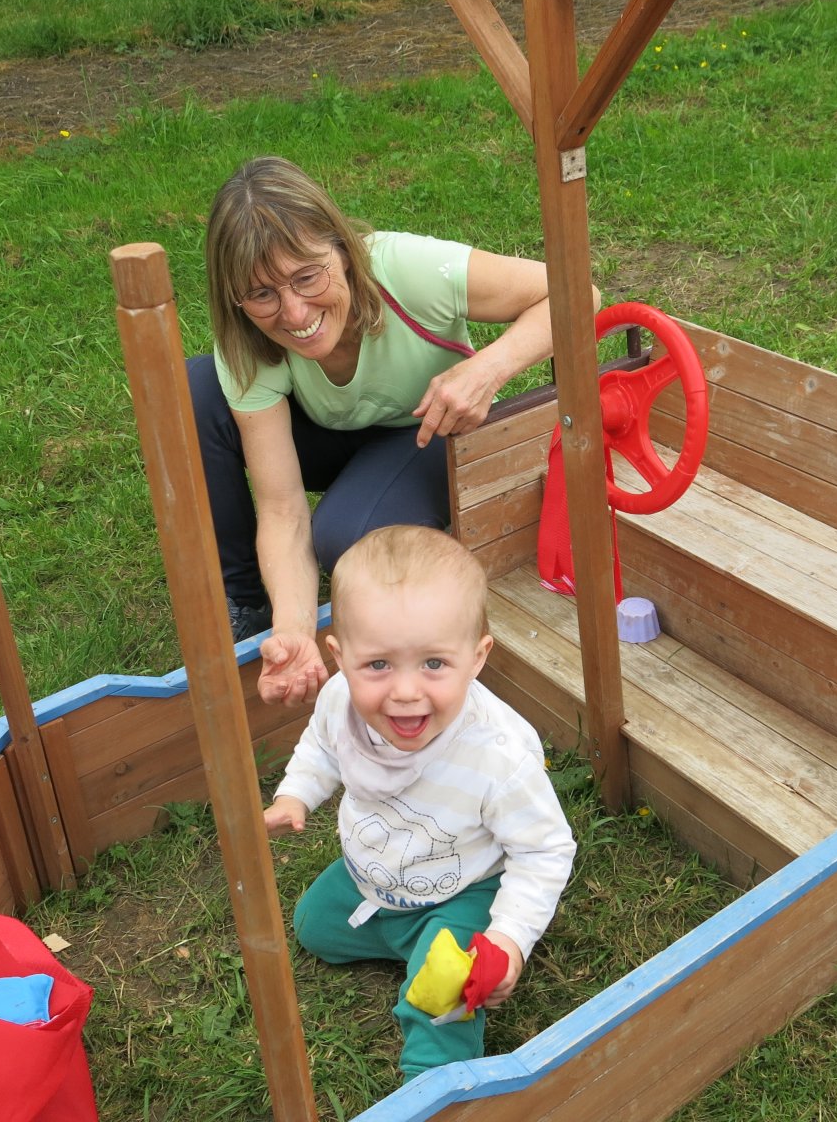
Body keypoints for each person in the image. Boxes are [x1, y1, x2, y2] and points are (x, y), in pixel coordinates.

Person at [187, 155, 591, 705]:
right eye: (262, 294)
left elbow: (574, 292)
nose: (294, 311)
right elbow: (281, 509)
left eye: (307, 276)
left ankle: (382, 500)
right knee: (199, 387)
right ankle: (245, 601)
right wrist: (293, 630)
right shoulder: (245, 341)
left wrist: (485, 369)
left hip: (426, 427)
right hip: (330, 430)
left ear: (343, 252)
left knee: (347, 541)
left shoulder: (407, 269)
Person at [263, 525, 576, 1082]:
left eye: (434, 663)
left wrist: (507, 939)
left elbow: (545, 851)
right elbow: (321, 748)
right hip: (377, 881)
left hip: (464, 889)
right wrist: (296, 794)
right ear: (340, 656)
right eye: (378, 665)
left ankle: (433, 1088)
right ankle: (409, 943)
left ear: (478, 658)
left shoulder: (498, 757)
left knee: (438, 998)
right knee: (311, 925)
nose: (406, 690)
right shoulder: (341, 701)